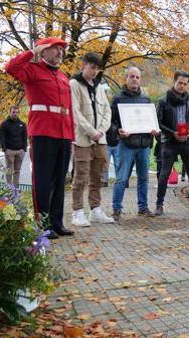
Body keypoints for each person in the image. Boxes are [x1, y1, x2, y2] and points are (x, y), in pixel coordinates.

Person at [5, 37, 75, 239]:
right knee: (42, 180)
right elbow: (10, 67)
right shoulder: (32, 71)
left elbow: (68, 109)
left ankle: (57, 222)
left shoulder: (62, 76)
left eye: (61, 49)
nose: (60, 52)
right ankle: (42, 224)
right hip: (43, 132)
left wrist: (71, 136)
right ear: (43, 52)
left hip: (63, 133)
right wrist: (32, 51)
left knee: (59, 180)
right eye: (54, 49)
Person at [69, 52, 114, 227]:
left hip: (100, 140)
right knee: (81, 176)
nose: (95, 71)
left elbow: (107, 112)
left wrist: (101, 131)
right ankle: (77, 211)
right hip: (82, 139)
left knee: (98, 174)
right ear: (84, 65)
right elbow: (75, 112)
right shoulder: (74, 84)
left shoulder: (99, 86)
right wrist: (91, 131)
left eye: (97, 68)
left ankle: (95, 209)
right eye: (92, 67)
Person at [110, 67, 160, 221]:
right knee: (122, 178)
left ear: (140, 79)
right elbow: (111, 122)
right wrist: (118, 130)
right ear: (126, 78)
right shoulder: (118, 99)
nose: (135, 79)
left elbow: (152, 121)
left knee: (143, 177)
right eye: (132, 76)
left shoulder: (146, 99)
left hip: (144, 144)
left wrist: (154, 130)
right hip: (126, 144)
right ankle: (116, 209)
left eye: (137, 77)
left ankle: (143, 207)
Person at [155, 70, 189, 216]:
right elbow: (158, 122)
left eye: (185, 84)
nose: (182, 86)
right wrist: (172, 132)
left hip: (188, 142)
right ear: (174, 81)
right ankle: (159, 204)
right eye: (180, 82)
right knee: (164, 174)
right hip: (169, 141)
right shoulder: (163, 101)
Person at [0, 106, 27, 186]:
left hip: (20, 151)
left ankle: (16, 189)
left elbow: (25, 137)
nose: (15, 114)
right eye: (13, 112)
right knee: (9, 171)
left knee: (17, 171)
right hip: (9, 151)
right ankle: (9, 189)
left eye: (17, 112)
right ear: (10, 112)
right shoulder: (4, 124)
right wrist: (5, 150)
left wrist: (24, 150)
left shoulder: (22, 124)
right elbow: (1, 137)